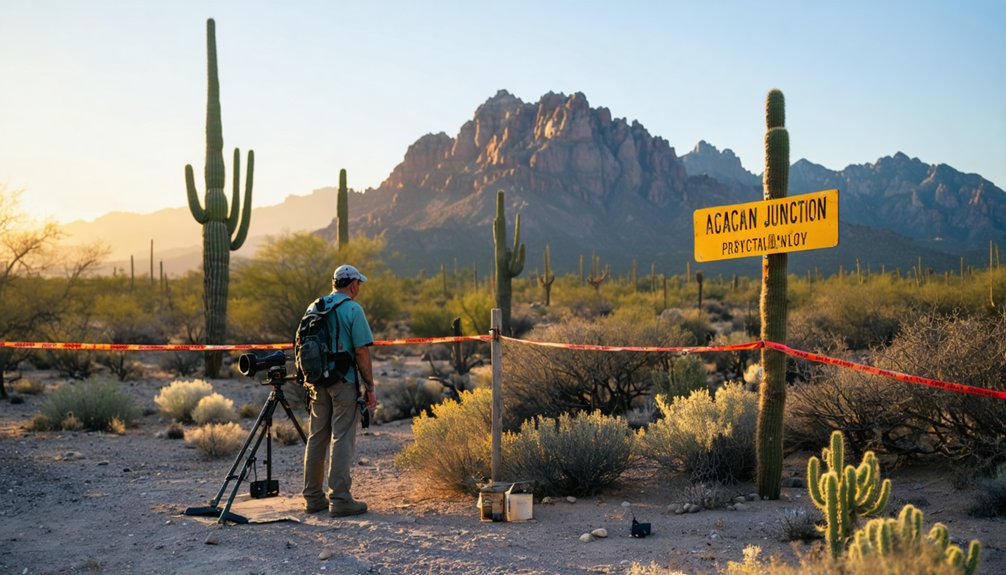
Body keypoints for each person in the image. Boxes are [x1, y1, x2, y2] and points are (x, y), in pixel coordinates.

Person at [302, 264, 378, 517]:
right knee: (342, 436)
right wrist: (370, 386)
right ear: (353, 284)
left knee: (317, 437)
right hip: (342, 380)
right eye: (359, 284)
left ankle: (313, 498)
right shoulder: (353, 309)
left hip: (316, 382)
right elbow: (361, 351)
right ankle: (341, 499)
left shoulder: (314, 306)